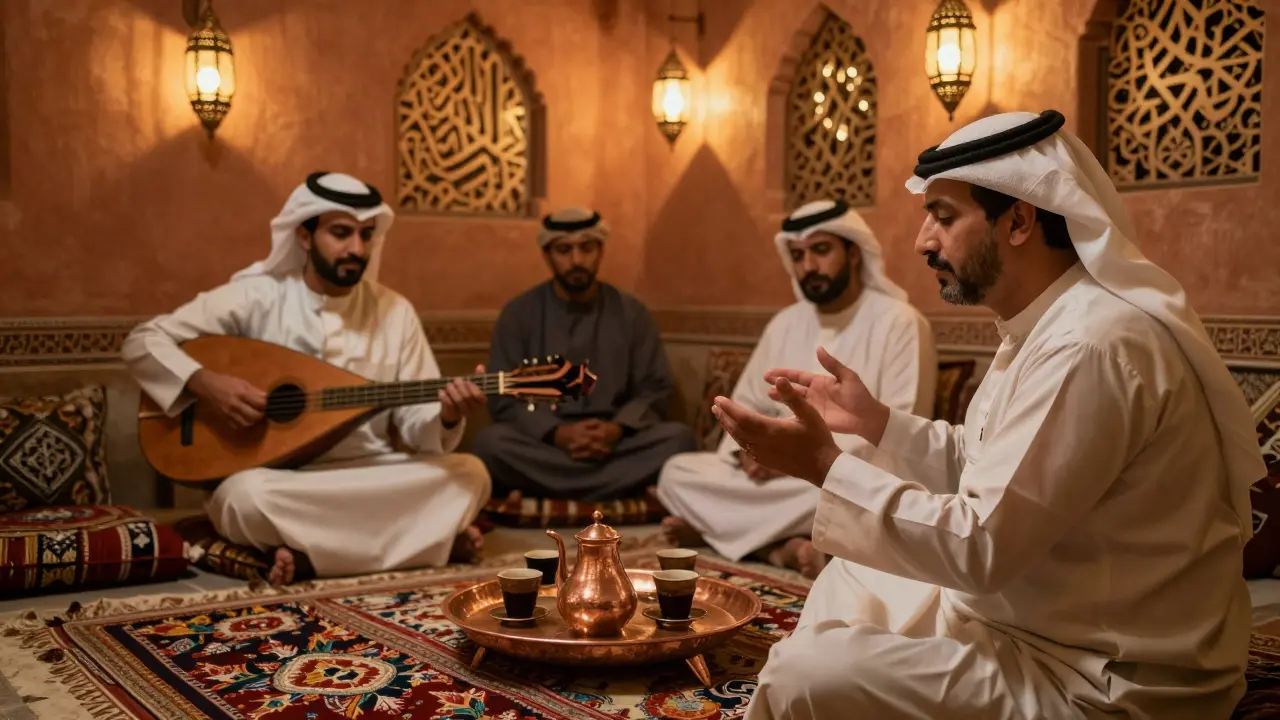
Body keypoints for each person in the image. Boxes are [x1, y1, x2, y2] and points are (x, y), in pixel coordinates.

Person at [713, 111, 1264, 719]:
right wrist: (875, 421)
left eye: (943, 217)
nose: (923, 242)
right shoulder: (1043, 326)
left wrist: (823, 464)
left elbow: (980, 546)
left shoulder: (1090, 344)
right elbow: (982, 462)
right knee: (853, 574)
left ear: (1019, 220)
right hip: (1031, 618)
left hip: (1101, 673)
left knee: (805, 676)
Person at [123, 172, 493, 586]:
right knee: (242, 499)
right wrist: (205, 382)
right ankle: (430, 545)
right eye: (341, 233)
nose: (357, 248)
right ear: (304, 236)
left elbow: (415, 425)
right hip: (283, 480)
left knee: (470, 474)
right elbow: (142, 341)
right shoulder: (256, 295)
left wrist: (446, 415)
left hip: (372, 471)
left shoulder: (394, 311)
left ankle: (310, 559)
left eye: (366, 235)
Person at [655, 200, 936, 578]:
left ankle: (719, 530)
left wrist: (799, 460)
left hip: (839, 475)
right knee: (676, 473)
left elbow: (901, 436)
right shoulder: (784, 323)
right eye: (798, 255)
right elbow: (745, 406)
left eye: (821, 250)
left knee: (860, 498)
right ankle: (776, 548)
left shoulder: (901, 323)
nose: (809, 266)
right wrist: (750, 451)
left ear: (853, 253)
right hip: (773, 476)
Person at [471, 207, 697, 501]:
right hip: (547, 444)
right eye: (564, 250)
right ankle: (618, 487)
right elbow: (504, 398)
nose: (576, 260)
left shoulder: (632, 313)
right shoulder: (518, 315)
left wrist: (615, 429)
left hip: (615, 443)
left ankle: (548, 488)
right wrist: (558, 433)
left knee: (679, 439)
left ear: (600, 250)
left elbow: (656, 389)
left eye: (586, 248)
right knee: (490, 444)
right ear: (547, 255)